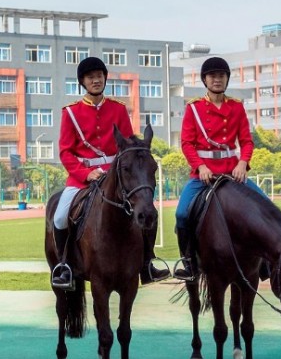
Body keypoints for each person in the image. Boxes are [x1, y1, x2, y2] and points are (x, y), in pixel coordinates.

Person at [50, 56, 170, 290]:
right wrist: (86, 174)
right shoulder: (71, 113)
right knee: (60, 217)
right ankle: (65, 265)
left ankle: (147, 264)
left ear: (105, 78)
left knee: (146, 210)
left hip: (116, 177)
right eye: (90, 77)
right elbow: (65, 152)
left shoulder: (118, 109)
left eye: (99, 76)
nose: (96, 80)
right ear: (83, 82)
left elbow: (127, 146)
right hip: (82, 178)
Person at [174, 56, 267, 280]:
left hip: (232, 172)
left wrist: (243, 163)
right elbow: (187, 144)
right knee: (181, 214)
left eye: (221, 75)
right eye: (212, 76)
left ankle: (265, 263)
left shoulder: (236, 107)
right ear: (205, 80)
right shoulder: (194, 109)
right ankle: (189, 263)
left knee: (266, 206)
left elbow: (246, 141)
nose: (217, 79)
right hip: (203, 174)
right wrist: (201, 166)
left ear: (227, 79)